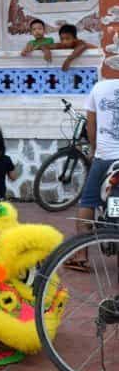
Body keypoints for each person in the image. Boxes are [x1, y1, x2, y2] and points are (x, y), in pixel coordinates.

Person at [67, 75, 119, 272]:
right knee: (118, 203)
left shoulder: (99, 88)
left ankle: (81, 255)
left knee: (88, 201)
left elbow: (91, 126)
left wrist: (95, 149)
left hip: (104, 157)